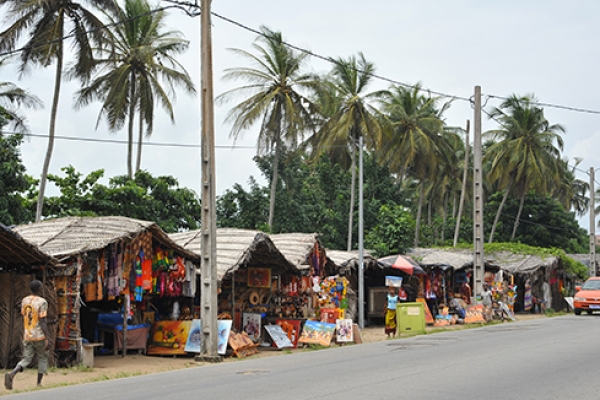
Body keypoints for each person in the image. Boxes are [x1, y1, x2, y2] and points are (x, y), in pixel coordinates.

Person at [5, 280, 50, 390]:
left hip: (28, 334)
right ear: (39, 289)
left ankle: (12, 373)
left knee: (26, 358)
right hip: (39, 335)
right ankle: (39, 383)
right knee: (42, 357)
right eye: (41, 287)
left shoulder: (24, 301)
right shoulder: (42, 302)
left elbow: (24, 316)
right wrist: (48, 338)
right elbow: (42, 321)